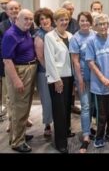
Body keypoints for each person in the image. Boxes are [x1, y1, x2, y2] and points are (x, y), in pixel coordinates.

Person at [86, 13, 109, 148]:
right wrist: (102, 78)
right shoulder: (91, 41)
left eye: (105, 24)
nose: (103, 26)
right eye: (100, 24)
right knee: (102, 113)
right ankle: (99, 136)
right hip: (99, 84)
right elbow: (90, 62)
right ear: (95, 26)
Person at [3, 9, 36, 152]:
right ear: (17, 19)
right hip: (19, 72)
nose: (29, 21)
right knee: (18, 108)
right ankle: (17, 142)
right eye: (26, 19)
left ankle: (19, 135)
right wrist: (16, 80)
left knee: (24, 107)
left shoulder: (25, 31)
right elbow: (7, 60)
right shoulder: (11, 34)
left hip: (28, 70)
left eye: (31, 19)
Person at [44, 8, 74, 153]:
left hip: (69, 76)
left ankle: (66, 131)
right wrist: (56, 79)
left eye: (66, 19)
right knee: (59, 111)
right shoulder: (49, 36)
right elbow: (49, 59)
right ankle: (61, 142)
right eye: (61, 20)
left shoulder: (70, 35)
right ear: (55, 21)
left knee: (67, 107)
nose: (64, 22)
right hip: (58, 78)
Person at [69, 11, 96, 153]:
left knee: (92, 105)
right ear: (78, 22)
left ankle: (90, 127)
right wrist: (79, 79)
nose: (85, 23)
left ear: (91, 22)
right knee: (85, 106)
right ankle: (86, 136)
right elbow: (75, 61)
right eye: (82, 21)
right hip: (83, 77)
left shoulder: (95, 34)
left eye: (87, 20)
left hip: (96, 77)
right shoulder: (75, 38)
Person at [34, 8, 54, 138]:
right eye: (41, 19)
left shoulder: (56, 31)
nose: (45, 20)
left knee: (58, 100)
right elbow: (40, 57)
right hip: (44, 72)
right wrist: (51, 71)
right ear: (38, 22)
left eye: (46, 17)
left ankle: (60, 123)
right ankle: (47, 124)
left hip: (59, 71)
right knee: (47, 100)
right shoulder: (39, 35)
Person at [0, 0, 21, 122]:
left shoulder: (26, 23)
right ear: (6, 12)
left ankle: (22, 118)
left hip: (23, 64)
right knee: (10, 95)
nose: (14, 11)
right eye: (11, 9)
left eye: (16, 8)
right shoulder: (2, 26)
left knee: (22, 95)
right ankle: (11, 120)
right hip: (8, 64)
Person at [61, 1, 81, 115]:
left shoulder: (75, 23)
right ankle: (65, 106)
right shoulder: (58, 21)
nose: (70, 11)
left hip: (73, 55)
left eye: (72, 9)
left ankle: (72, 105)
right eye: (68, 9)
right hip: (62, 57)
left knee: (73, 83)